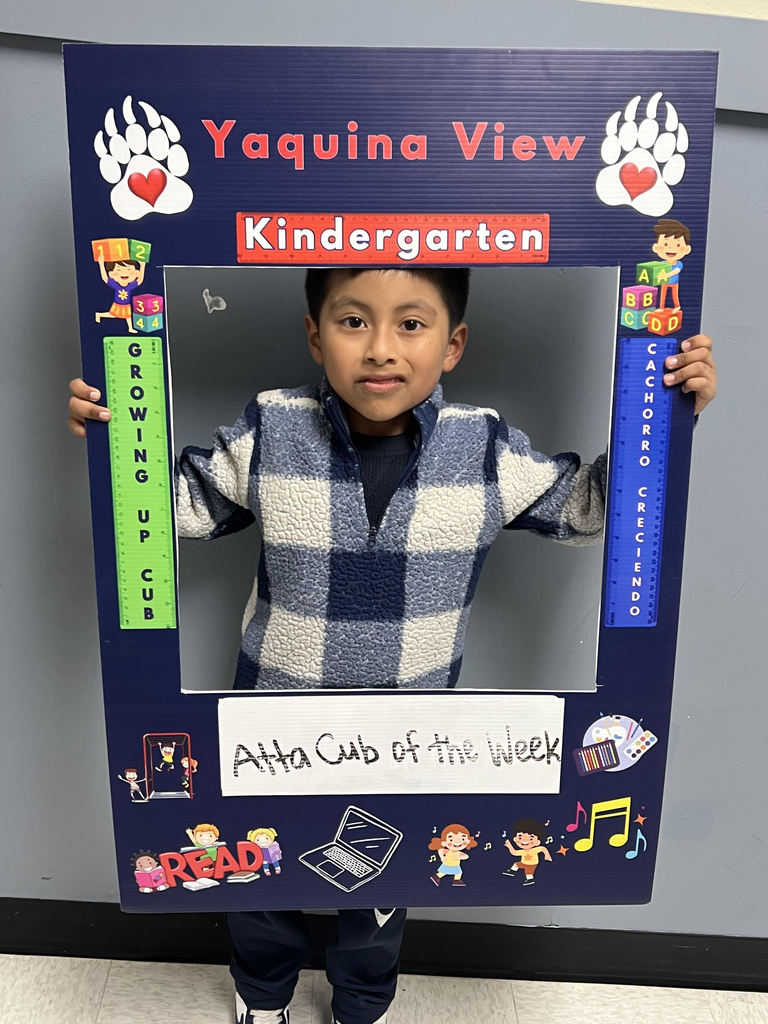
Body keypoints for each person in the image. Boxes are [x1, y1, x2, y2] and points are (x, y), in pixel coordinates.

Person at [68, 267, 717, 1024]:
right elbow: (172, 506)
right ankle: (263, 998)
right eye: (353, 322)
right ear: (316, 337)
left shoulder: (484, 446)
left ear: (453, 345)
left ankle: (363, 1005)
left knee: (380, 897)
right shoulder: (272, 427)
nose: (380, 348)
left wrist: (667, 416)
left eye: (411, 324)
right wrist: (111, 435)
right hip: (269, 728)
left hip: (407, 743)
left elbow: (590, 507)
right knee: (257, 878)